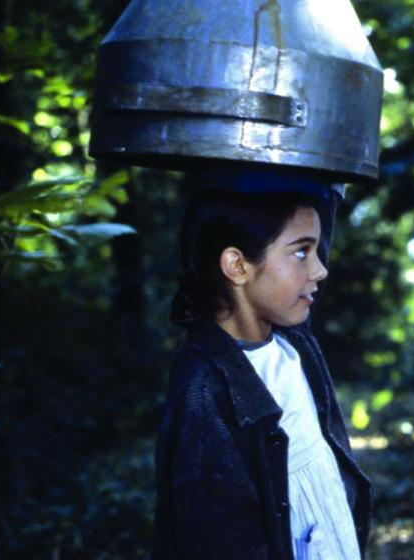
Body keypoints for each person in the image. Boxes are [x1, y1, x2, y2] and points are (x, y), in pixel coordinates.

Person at [153, 187, 370, 559]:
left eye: (317, 250)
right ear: (237, 266)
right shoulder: (204, 387)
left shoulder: (293, 341)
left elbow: (317, 216)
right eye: (302, 252)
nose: (320, 269)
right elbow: (214, 538)